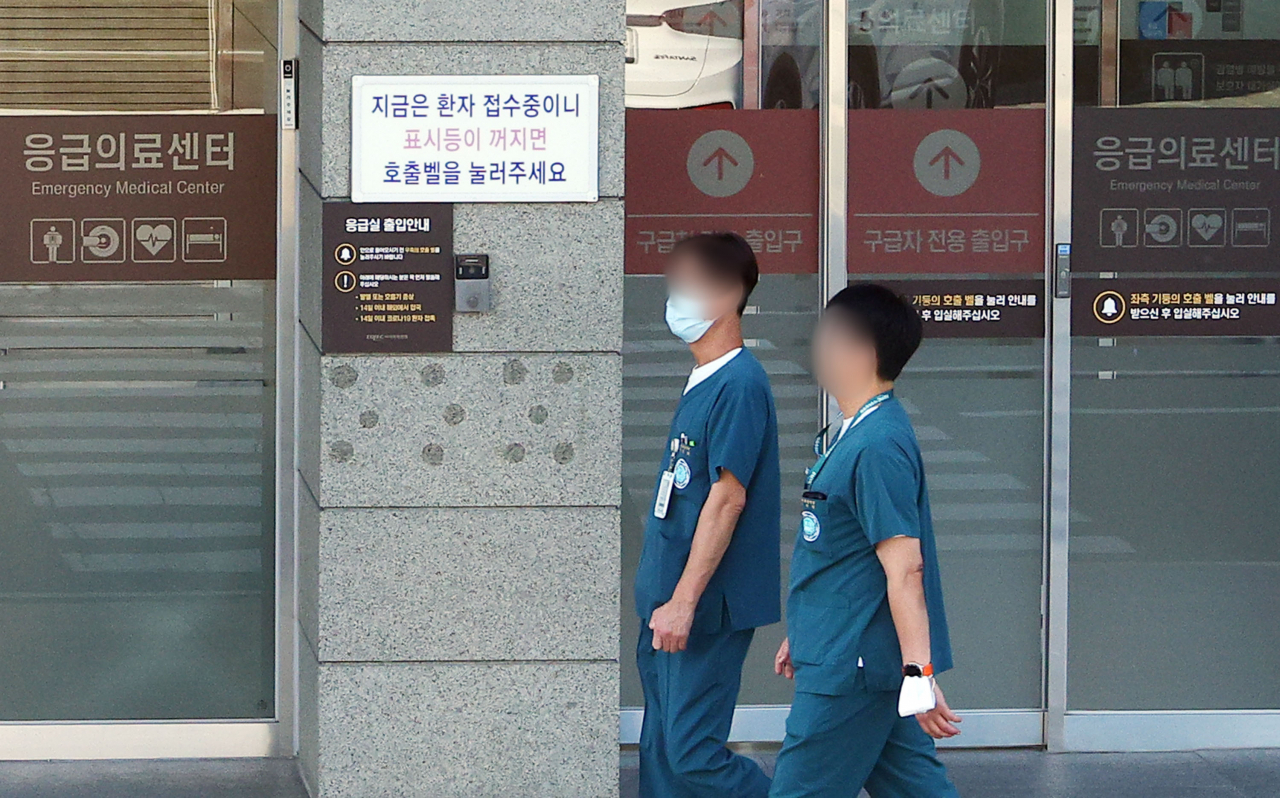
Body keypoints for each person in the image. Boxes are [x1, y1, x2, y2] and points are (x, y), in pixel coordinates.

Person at [770, 284, 961, 798]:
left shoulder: (877, 445)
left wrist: (919, 673)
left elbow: (905, 569)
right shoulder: (856, 431)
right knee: (916, 789)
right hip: (851, 652)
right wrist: (807, 629)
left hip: (850, 668)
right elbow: (841, 553)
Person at [634, 232, 781, 798]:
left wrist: (684, 600)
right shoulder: (703, 380)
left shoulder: (741, 384)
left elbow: (727, 498)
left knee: (692, 752)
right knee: (664, 753)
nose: (675, 295)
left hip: (700, 609)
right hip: (666, 603)